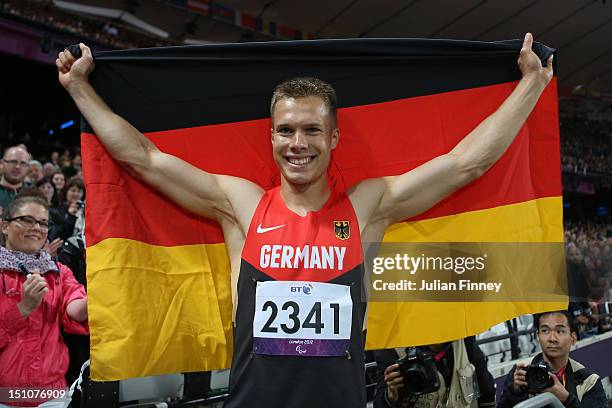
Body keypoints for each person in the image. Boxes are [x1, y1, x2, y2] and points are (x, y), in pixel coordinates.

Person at [57, 33, 553, 408]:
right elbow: (143, 158)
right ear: (271, 138)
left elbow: (466, 162)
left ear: (334, 137)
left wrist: (532, 83)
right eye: (287, 130)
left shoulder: (367, 207)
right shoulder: (242, 205)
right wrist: (79, 88)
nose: (299, 143)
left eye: (313, 130)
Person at [0, 196, 88, 407]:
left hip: (53, 396)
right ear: (4, 226)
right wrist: (22, 309)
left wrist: (98, 294)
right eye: (27, 220)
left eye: (42, 223)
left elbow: (76, 309)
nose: (36, 228)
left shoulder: (59, 272)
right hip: (6, 396)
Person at [498, 311, 606, 407]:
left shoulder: (589, 381)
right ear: (537, 336)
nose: (552, 338)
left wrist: (566, 399)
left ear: (573, 338)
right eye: (545, 331)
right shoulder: (522, 372)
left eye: (559, 331)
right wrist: (514, 392)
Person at [374, 337, 496, 407]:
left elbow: (486, 391)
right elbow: (380, 402)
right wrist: (391, 396)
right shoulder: (391, 348)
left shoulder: (465, 339)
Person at [48, 177, 85, 242]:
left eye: (79, 191)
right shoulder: (56, 210)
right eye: (73, 190)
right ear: (66, 192)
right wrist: (70, 216)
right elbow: (57, 234)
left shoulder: (86, 210)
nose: (76, 194)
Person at [0, 146, 30, 216]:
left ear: (28, 167)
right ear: (2, 163)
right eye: (13, 162)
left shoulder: (35, 194)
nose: (18, 167)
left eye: (23, 163)